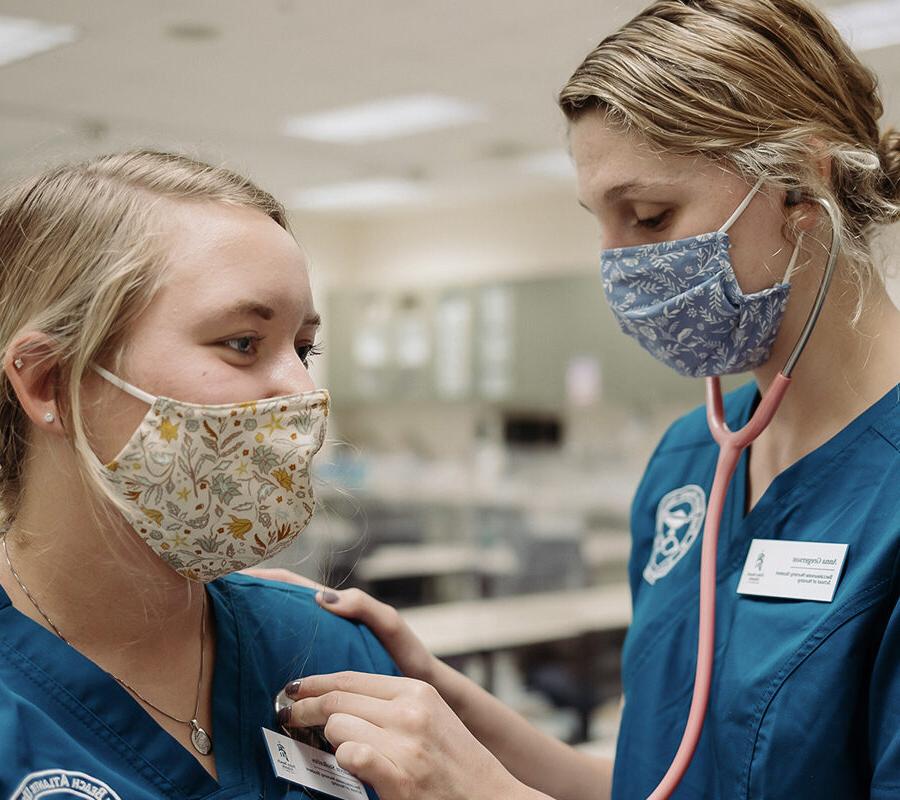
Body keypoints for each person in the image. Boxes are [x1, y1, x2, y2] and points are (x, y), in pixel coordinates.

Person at [267, 2, 900, 798]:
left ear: (803, 182)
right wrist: (444, 701)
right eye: (599, 221)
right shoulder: (687, 463)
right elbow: (658, 776)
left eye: (647, 216)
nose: (616, 263)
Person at [0, 150, 400, 799]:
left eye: (305, 349)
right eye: (243, 342)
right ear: (50, 381)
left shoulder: (327, 647)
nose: (302, 391)